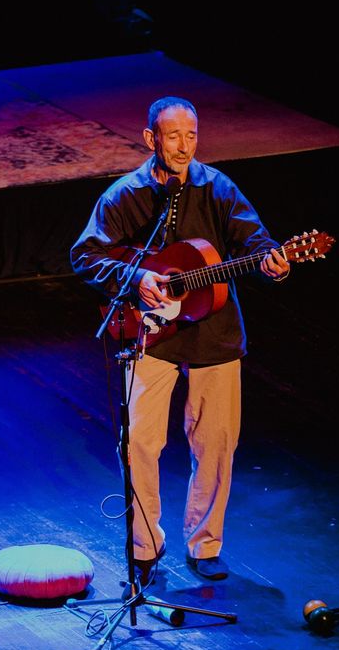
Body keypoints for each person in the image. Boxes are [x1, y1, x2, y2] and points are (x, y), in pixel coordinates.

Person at [70, 96, 290, 583]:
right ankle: (145, 544)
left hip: (213, 331)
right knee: (140, 443)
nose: (184, 146)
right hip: (153, 331)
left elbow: (255, 242)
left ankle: (205, 543)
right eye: (173, 136)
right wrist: (135, 279)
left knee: (216, 441)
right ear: (151, 139)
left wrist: (271, 261)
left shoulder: (218, 188)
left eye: (191, 135)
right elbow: (85, 256)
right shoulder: (126, 195)